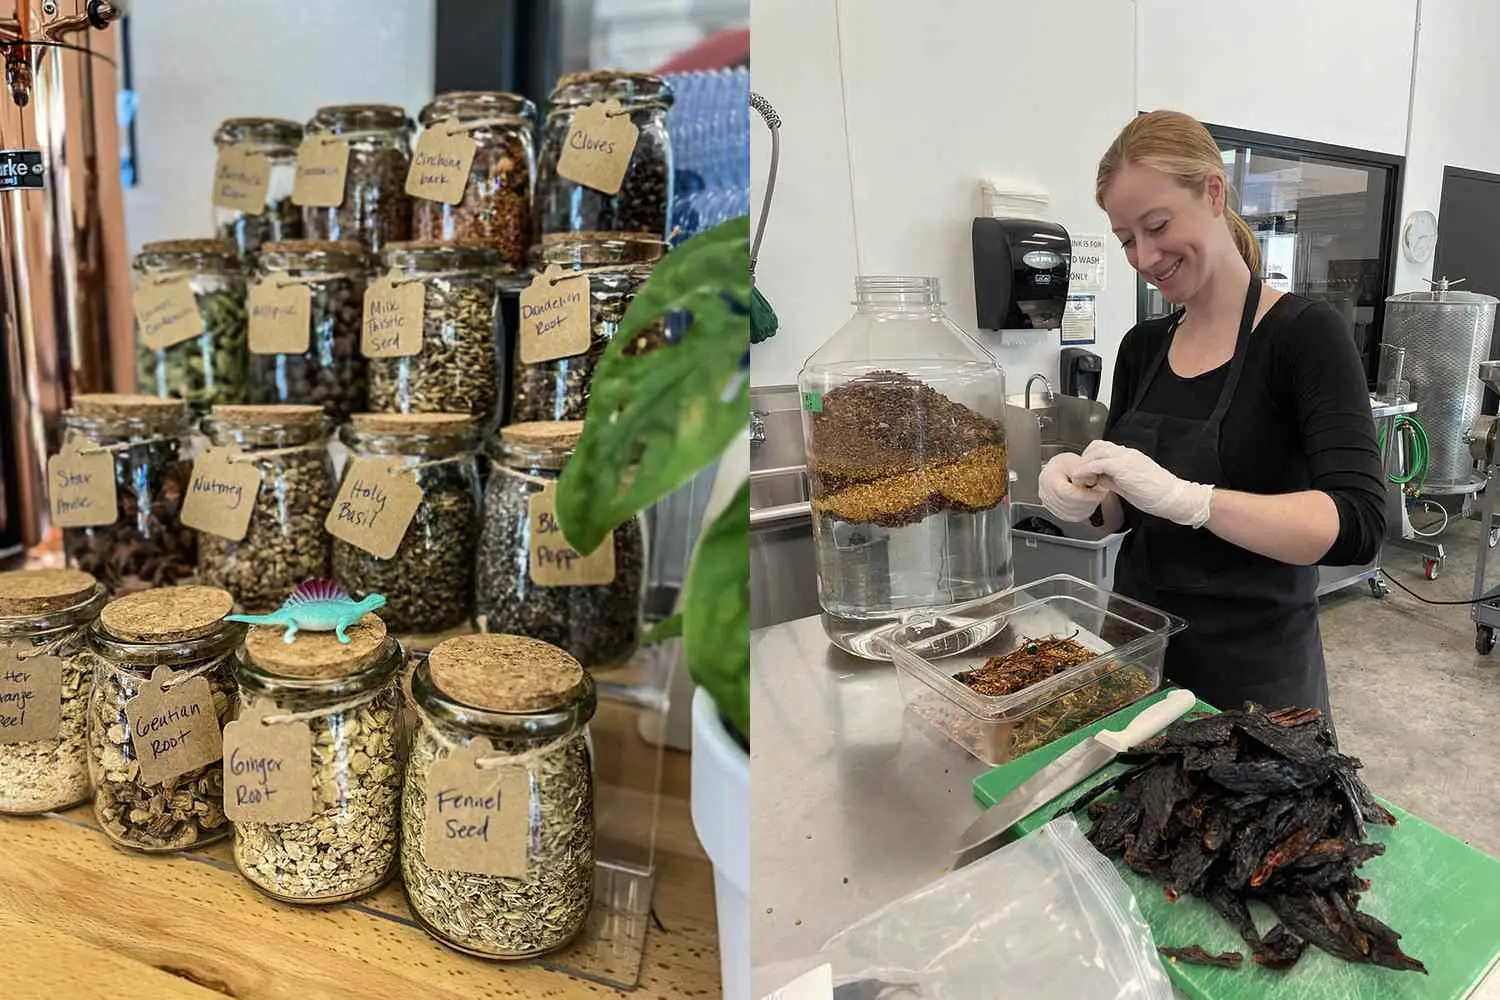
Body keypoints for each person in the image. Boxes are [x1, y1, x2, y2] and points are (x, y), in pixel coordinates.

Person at [1037, 110, 1387, 718]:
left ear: (1213, 191)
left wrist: (1194, 501)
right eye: (1126, 240)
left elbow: (1357, 523)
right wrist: (1086, 496)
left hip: (1254, 676)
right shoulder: (1143, 346)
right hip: (1137, 652)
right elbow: (1122, 517)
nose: (1144, 256)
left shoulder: (1304, 337)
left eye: (1157, 226)